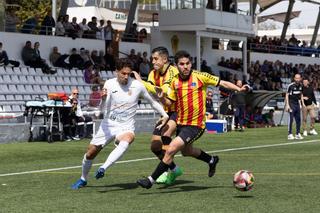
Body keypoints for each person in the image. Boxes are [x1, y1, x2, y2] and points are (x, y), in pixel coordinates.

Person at [137, 50, 249, 189]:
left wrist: (239, 89)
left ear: (191, 64)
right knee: (186, 152)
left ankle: (150, 180)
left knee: (171, 149)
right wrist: (161, 96)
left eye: (188, 63)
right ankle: (211, 160)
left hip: (196, 125)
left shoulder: (200, 76)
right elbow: (168, 103)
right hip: (181, 123)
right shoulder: (174, 81)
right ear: (176, 65)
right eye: (182, 64)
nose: (185, 66)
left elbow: (223, 83)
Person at [71, 59, 169, 189]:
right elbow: (103, 108)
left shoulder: (137, 86)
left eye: (128, 73)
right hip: (108, 124)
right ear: (116, 71)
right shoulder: (109, 84)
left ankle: (103, 168)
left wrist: (165, 114)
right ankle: (83, 179)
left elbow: (152, 102)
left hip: (126, 127)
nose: (126, 76)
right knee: (90, 154)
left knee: (127, 139)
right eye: (123, 73)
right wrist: (104, 98)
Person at [132, 46, 183, 185]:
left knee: (166, 136)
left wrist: (141, 83)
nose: (152, 61)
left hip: (178, 110)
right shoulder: (152, 73)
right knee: (155, 146)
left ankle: (163, 173)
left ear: (165, 59)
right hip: (165, 112)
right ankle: (174, 168)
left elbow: (163, 91)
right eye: (152, 58)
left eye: (155, 58)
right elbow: (149, 90)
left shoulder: (172, 72)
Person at [285, 73, 304, 140]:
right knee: (291, 119)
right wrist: (287, 105)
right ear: (294, 78)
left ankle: (297, 134)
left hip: (297, 104)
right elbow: (287, 95)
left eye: (298, 78)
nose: (297, 79)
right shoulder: (290, 86)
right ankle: (289, 134)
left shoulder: (301, 86)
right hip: (291, 104)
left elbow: (300, 95)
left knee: (298, 119)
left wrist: (301, 104)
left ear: (300, 79)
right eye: (296, 78)